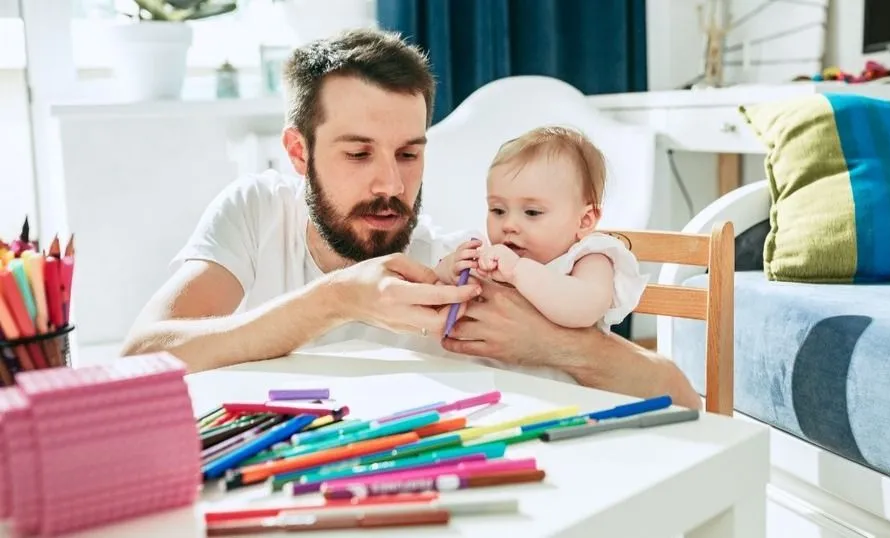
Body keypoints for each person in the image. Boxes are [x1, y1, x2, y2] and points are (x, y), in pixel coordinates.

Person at [119, 28, 701, 409]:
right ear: (299, 152)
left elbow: (680, 395)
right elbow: (141, 359)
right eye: (357, 153)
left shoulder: (450, 268)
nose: (391, 187)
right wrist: (335, 300)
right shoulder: (257, 211)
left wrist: (553, 345)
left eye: (408, 153)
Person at [434, 126, 648, 384]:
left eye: (532, 212)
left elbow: (583, 309)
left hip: (564, 398)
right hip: (488, 388)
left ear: (584, 220)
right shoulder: (491, 254)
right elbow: (436, 295)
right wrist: (448, 271)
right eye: (498, 210)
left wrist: (517, 271)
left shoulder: (589, 258)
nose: (509, 224)